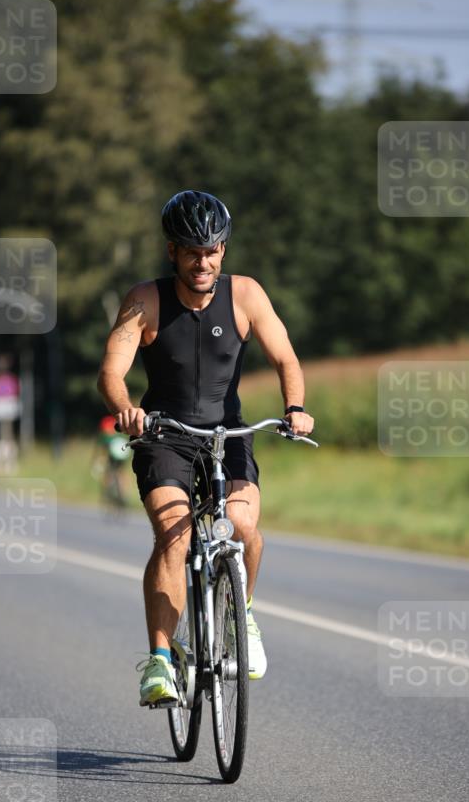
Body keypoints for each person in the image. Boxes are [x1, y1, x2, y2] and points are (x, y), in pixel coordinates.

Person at [97, 190, 314, 706]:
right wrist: (127, 408)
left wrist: (295, 407)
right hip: (163, 433)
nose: (204, 262)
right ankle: (159, 661)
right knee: (173, 536)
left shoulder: (246, 295)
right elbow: (111, 372)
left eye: (212, 250)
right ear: (171, 251)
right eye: (192, 251)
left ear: (223, 249)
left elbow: (286, 358)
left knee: (243, 525)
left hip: (227, 433)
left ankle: (243, 615)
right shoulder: (145, 300)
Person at [92, 414, 131, 508]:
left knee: (108, 472)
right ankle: (124, 494)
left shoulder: (105, 435)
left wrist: (96, 462)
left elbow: (102, 451)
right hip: (123, 453)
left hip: (114, 453)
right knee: (121, 472)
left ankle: (108, 492)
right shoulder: (118, 432)